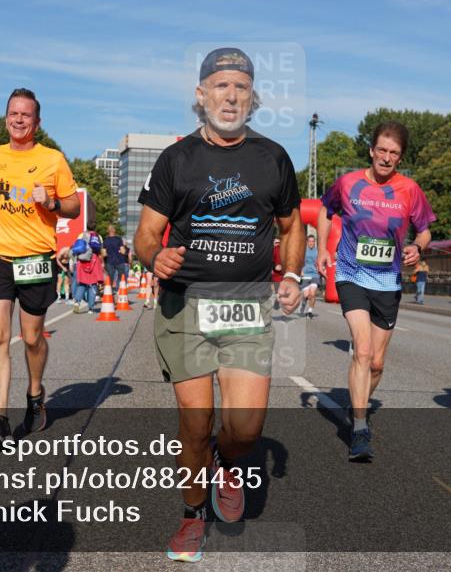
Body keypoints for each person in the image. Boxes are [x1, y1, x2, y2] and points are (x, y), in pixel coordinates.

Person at [134, 47, 303, 563]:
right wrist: (156, 257)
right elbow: (145, 235)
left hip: (247, 306)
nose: (231, 96)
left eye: (241, 87)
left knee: (245, 429)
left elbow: (293, 225)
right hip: (185, 306)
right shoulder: (176, 159)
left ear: (253, 98)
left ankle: (227, 465)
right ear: (201, 94)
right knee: (195, 423)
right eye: (221, 85)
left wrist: (292, 274)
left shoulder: (273, 158)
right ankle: (192, 515)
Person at [0, 88, 81, 445]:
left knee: (32, 339)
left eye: (26, 115)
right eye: (13, 113)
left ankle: (35, 393)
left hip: (36, 258)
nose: (19, 120)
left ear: (37, 122)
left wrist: (51, 202)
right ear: (6, 119)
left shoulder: (52, 160)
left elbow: (74, 206)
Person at [317, 121, 435, 462]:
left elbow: (425, 230)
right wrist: (323, 248)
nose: (386, 157)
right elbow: (325, 210)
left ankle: (358, 403)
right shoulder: (348, 183)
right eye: (381, 150)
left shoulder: (409, 189)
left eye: (393, 153)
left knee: (378, 364)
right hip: (351, 275)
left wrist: (417, 246)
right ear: (371, 150)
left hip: (388, 281)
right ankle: (359, 428)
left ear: (400, 157)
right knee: (363, 351)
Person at [73, 245, 103, 313]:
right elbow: (97, 269)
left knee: (81, 288)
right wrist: (100, 279)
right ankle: (90, 308)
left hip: (82, 276)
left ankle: (77, 303)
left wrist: (78, 277)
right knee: (92, 291)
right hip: (93, 277)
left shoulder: (81, 256)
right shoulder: (95, 257)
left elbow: (78, 267)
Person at [300, 234, 321, 317]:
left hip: (315, 275)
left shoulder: (318, 251)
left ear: (314, 242)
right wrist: (300, 271)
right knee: (306, 295)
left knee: (312, 294)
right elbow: (299, 262)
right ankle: (303, 305)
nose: (311, 243)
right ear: (307, 242)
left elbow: (321, 262)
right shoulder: (303, 251)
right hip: (305, 275)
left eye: (313, 241)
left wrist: (321, 268)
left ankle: (310, 311)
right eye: (310, 241)